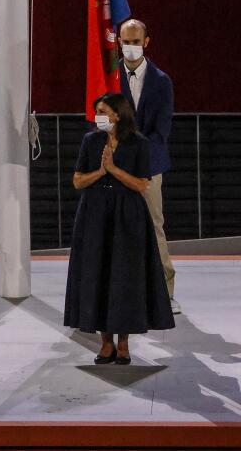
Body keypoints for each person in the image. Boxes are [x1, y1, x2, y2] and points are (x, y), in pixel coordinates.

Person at [65, 92, 174, 365]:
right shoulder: (91, 141)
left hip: (128, 215)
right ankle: (105, 342)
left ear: (117, 114)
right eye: (96, 111)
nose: (98, 116)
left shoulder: (138, 143)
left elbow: (141, 184)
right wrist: (101, 173)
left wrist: (112, 169)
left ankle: (123, 343)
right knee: (98, 273)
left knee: (125, 277)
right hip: (95, 215)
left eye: (103, 110)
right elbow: (78, 181)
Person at [118, 18, 178, 314]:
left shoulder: (161, 81)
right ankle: (118, 294)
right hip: (115, 168)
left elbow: (161, 131)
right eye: (125, 42)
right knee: (114, 229)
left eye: (135, 42)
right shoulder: (107, 77)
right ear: (118, 41)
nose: (130, 48)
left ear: (146, 42)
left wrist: (138, 162)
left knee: (154, 227)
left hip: (149, 167)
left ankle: (166, 292)